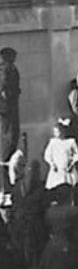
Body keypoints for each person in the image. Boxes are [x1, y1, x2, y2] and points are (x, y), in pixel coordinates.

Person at [0, 46, 18, 197]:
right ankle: (5, 185)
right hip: (7, 110)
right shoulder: (5, 69)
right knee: (9, 140)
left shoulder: (10, 68)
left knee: (11, 139)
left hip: (11, 108)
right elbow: (3, 88)